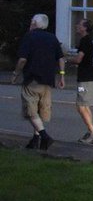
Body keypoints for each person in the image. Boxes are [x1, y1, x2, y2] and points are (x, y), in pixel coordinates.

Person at [11, 13, 65, 150]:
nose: (30, 23)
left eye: (31, 21)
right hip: (48, 80)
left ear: (34, 23)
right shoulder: (52, 38)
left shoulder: (29, 37)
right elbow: (60, 58)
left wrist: (15, 73)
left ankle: (44, 136)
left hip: (32, 79)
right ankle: (36, 139)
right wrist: (62, 75)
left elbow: (23, 59)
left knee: (30, 111)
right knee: (41, 110)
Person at [66, 18, 93, 144]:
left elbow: (78, 59)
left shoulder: (84, 41)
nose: (77, 26)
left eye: (79, 25)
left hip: (86, 78)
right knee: (85, 105)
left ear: (85, 28)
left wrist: (66, 59)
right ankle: (90, 131)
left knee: (80, 106)